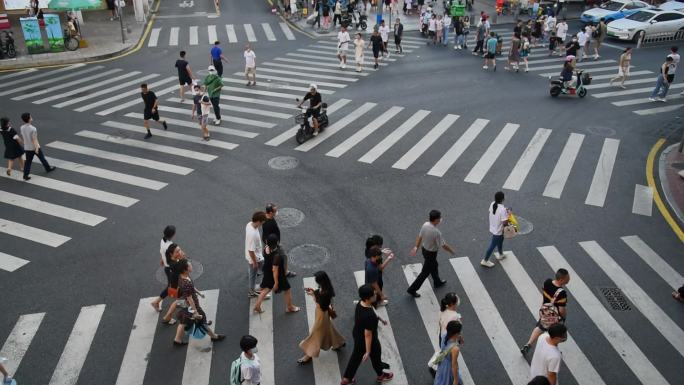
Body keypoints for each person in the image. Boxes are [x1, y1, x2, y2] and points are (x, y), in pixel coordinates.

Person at [341, 284, 394, 384]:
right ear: (367, 298)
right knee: (376, 355)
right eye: (373, 295)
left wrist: (380, 319)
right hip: (368, 340)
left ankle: (347, 379)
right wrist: (368, 351)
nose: (375, 295)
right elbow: (368, 335)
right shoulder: (369, 316)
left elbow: (372, 311)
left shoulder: (360, 304)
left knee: (356, 356)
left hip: (357, 334)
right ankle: (381, 375)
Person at [172, 259, 226, 345]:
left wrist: (199, 293)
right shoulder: (186, 283)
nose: (191, 266)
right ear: (185, 269)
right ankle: (214, 336)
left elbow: (192, 287)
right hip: (193, 306)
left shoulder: (184, 276)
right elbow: (190, 299)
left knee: (185, 320)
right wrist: (196, 312)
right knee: (201, 321)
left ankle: (177, 339)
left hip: (189, 305)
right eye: (189, 265)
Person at [298, 271, 346, 364]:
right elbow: (320, 296)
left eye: (317, 281)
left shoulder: (325, 293)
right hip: (322, 313)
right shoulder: (326, 288)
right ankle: (338, 342)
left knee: (316, 334)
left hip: (321, 314)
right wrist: (313, 291)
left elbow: (320, 305)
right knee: (328, 328)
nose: (316, 282)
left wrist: (313, 295)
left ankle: (309, 354)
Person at [406, 210, 456, 297]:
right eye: (439, 218)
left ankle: (437, 282)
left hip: (424, 250)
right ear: (436, 220)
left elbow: (420, 236)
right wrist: (451, 251)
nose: (440, 219)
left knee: (434, 265)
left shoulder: (425, 225)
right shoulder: (436, 232)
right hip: (431, 254)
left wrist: (416, 247)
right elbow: (443, 245)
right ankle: (412, 289)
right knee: (425, 273)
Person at [521, 269, 570, 355]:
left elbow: (543, 290)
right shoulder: (562, 293)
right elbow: (562, 310)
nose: (569, 279)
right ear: (561, 279)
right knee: (555, 334)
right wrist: (563, 317)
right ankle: (553, 350)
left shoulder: (547, 282)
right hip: (555, 316)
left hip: (545, 310)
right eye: (567, 278)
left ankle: (528, 344)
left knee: (540, 327)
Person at [253, 234, 299, 314]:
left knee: (266, 289)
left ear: (267, 242)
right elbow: (275, 270)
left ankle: (257, 305)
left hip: (267, 271)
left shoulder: (266, 248)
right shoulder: (276, 256)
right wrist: (276, 283)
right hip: (277, 275)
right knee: (287, 289)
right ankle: (290, 307)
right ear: (276, 242)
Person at [20, 112, 55, 181]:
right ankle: (48, 168)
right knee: (42, 158)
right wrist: (36, 148)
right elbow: (34, 139)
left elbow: (23, 136)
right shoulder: (33, 129)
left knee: (28, 162)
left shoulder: (22, 127)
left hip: (27, 147)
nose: (31, 117)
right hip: (34, 147)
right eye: (30, 116)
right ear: (29, 119)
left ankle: (25, 175)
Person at [150, 225, 177, 312]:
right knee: (171, 286)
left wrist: (162, 259)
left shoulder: (163, 240)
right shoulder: (171, 245)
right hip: (171, 269)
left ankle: (177, 299)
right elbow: (174, 257)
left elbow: (163, 251)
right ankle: (156, 302)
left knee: (174, 285)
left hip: (167, 267)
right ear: (173, 235)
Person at [480, 191, 509, 268]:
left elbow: (493, 212)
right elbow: (505, 223)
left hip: (494, 227)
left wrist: (504, 210)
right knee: (492, 245)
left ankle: (501, 254)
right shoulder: (502, 209)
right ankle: (485, 260)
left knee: (500, 241)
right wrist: (507, 215)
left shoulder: (493, 204)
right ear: (503, 199)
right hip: (499, 230)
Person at [433, 321, 463, 385]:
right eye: (460, 331)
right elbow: (454, 365)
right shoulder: (455, 349)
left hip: (442, 362)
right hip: (448, 368)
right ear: (456, 333)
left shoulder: (444, 336)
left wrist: (459, 337)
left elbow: (461, 342)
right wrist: (456, 380)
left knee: (441, 379)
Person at [246, 211, 267, 297]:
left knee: (253, 274)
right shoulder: (253, 234)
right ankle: (259, 289)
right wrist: (255, 262)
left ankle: (252, 291)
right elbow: (251, 250)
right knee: (266, 271)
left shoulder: (249, 224)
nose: (263, 223)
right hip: (256, 258)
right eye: (262, 221)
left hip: (253, 257)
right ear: (258, 221)